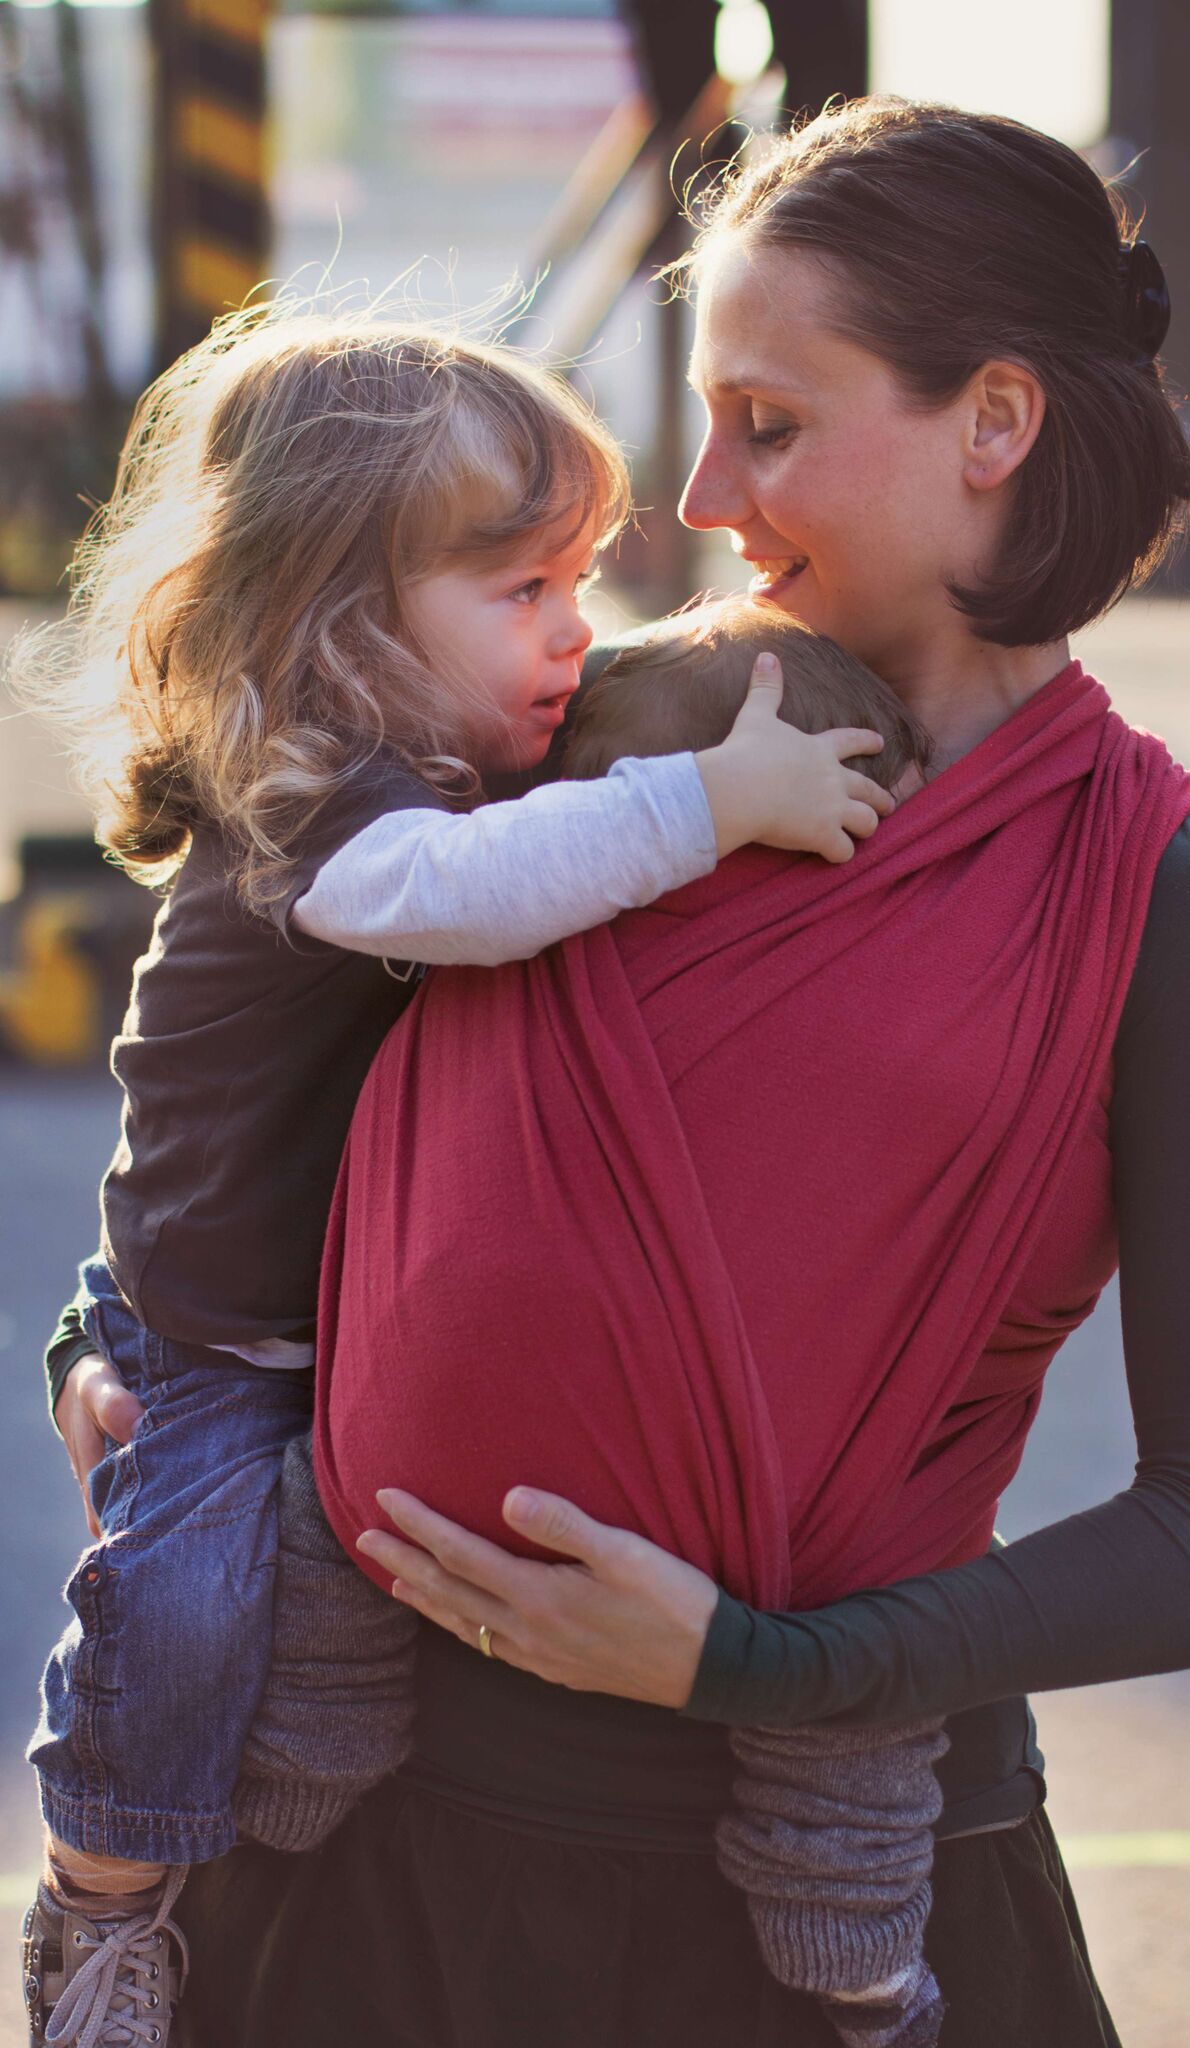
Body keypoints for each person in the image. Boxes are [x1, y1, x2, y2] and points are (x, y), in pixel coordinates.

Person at [51, 100, 1190, 2048]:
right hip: (377, 1858)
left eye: (769, 422)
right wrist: (113, 1338)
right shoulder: (576, 745)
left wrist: (763, 1664)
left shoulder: (1175, 897)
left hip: (818, 1895)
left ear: (991, 423)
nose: (703, 496)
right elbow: (234, 1043)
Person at [16, 306, 895, 2048]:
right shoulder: (313, 806)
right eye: (524, 595)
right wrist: (714, 803)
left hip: (301, 1299)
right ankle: (102, 1903)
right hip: (219, 1326)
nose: (578, 633)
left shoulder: (439, 758)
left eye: (581, 584)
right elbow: (464, 897)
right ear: (340, 624)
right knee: (182, 1608)